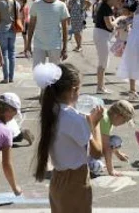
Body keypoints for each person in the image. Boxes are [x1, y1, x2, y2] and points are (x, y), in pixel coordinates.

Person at [33, 63, 104, 213]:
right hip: (75, 182)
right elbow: (97, 152)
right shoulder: (73, 118)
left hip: (58, 179)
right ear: (73, 90)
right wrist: (94, 124)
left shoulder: (51, 111)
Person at [26, 0, 70, 66]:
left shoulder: (62, 6)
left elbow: (65, 28)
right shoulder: (36, 5)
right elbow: (31, 26)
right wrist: (28, 45)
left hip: (55, 45)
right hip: (39, 44)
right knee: (38, 73)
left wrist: (65, 47)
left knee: (54, 75)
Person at [88, 100, 135, 177]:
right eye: (124, 121)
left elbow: (106, 143)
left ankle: (90, 160)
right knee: (97, 167)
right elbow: (107, 148)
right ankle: (87, 164)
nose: (123, 123)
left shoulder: (107, 115)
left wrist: (118, 154)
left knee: (116, 141)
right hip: (82, 148)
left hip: (89, 144)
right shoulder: (105, 120)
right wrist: (111, 170)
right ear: (118, 116)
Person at [93, 0, 123, 94]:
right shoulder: (106, 7)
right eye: (118, 0)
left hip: (102, 34)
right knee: (103, 62)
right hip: (102, 35)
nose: (119, 3)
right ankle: (100, 87)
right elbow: (109, 25)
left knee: (104, 61)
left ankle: (101, 86)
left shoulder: (106, 6)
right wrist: (118, 21)